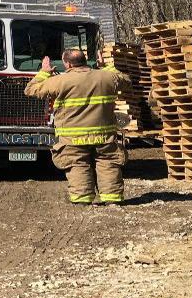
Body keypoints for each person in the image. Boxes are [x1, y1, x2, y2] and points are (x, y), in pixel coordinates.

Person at [25, 49, 132, 205]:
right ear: (85, 59)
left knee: (77, 164)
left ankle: (83, 199)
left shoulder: (60, 81)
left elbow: (30, 90)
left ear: (67, 63)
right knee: (108, 163)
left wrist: (44, 72)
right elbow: (126, 81)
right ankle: (113, 199)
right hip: (104, 134)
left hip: (72, 137)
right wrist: (107, 66)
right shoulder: (107, 76)